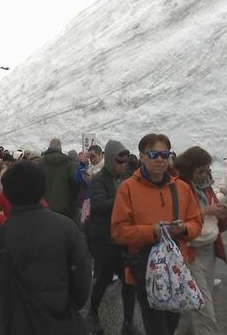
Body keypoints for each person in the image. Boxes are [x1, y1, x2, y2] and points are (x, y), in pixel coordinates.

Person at [0, 161, 91, 334]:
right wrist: (66, 306)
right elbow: (82, 281)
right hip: (60, 322)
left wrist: (0, 313)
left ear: (6, 193)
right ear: (42, 190)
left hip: (11, 325)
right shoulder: (66, 227)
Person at [111, 133, 203, 335]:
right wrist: (152, 230)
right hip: (145, 269)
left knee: (171, 325)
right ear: (142, 156)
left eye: (164, 154)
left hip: (176, 269)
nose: (160, 159)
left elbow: (196, 222)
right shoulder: (128, 188)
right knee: (156, 327)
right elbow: (118, 232)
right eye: (154, 154)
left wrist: (184, 229)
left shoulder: (182, 188)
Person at [174, 146, 227, 335]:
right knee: (203, 307)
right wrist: (207, 211)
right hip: (190, 252)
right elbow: (177, 219)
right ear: (189, 169)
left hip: (209, 248)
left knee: (193, 306)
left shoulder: (206, 187)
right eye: (200, 171)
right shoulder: (179, 186)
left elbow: (218, 220)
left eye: (207, 170)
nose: (204, 175)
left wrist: (223, 213)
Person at [86, 140, 141, 335]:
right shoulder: (98, 180)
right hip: (103, 238)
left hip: (122, 237)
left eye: (125, 161)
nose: (123, 164)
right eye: (119, 161)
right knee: (104, 278)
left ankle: (128, 323)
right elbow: (98, 206)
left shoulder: (125, 177)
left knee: (128, 280)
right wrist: (122, 196)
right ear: (110, 160)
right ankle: (92, 313)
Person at [39, 138, 82, 222]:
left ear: (49, 147)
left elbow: (37, 184)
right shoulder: (68, 162)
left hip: (45, 205)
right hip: (64, 206)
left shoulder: (41, 162)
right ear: (60, 148)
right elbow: (75, 183)